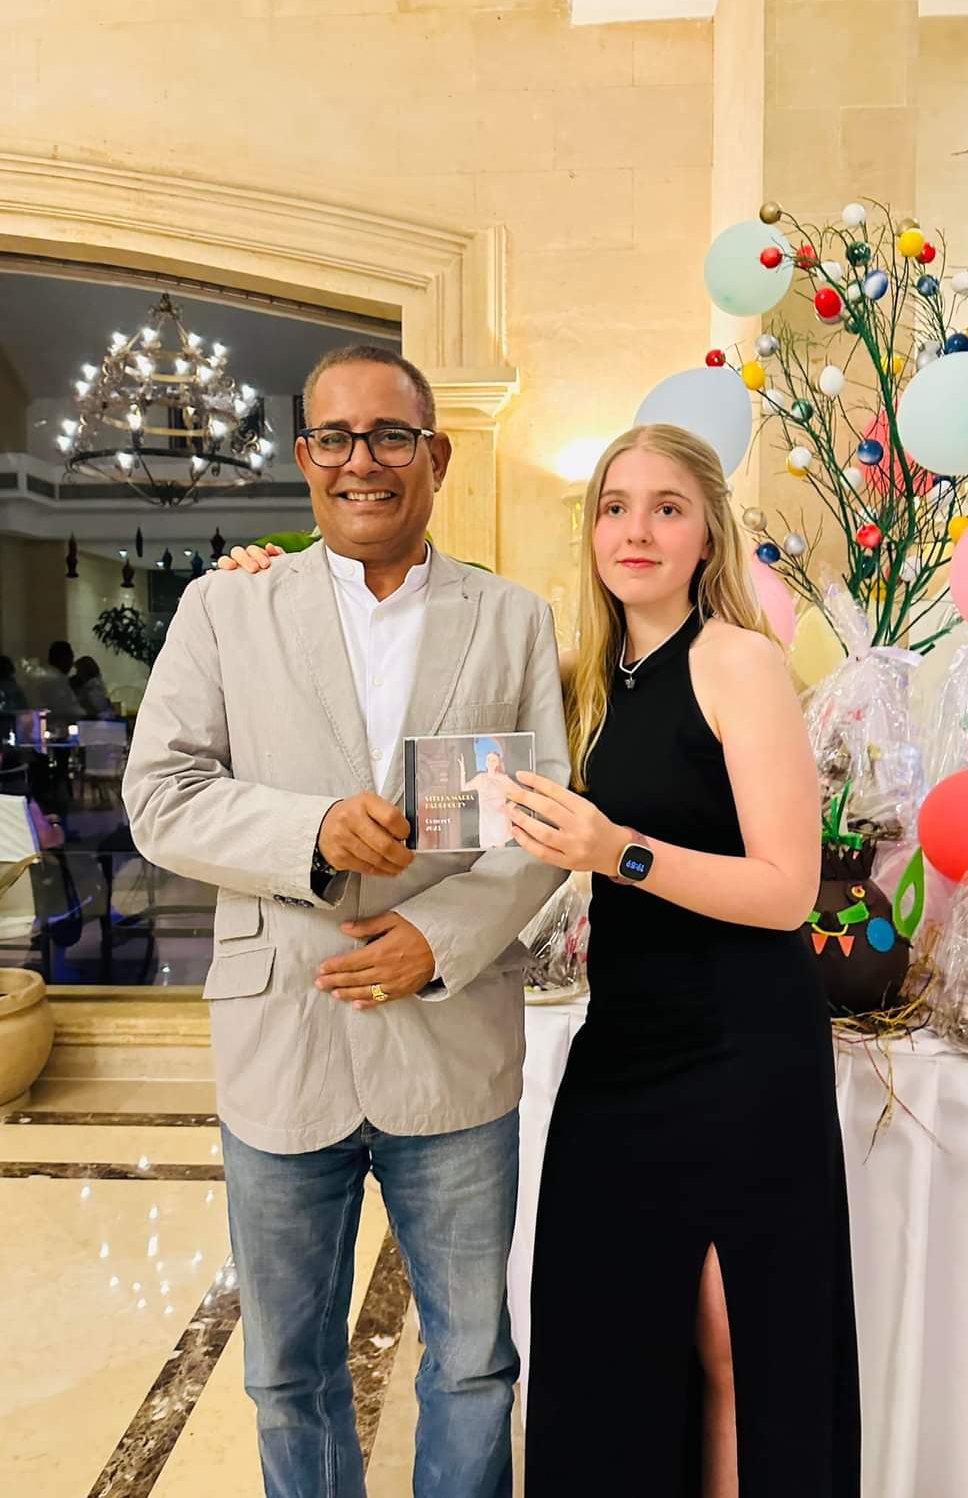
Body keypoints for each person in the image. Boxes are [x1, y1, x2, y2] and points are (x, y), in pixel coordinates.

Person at [123, 343, 569, 1498]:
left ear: (437, 456)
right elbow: (160, 795)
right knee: (286, 1373)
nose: (361, 460)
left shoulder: (512, 619)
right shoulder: (227, 606)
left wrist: (442, 938)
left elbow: (539, 818)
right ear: (304, 455)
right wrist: (311, 832)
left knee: (473, 1364)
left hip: (453, 1042)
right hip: (283, 1038)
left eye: (390, 436)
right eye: (335, 436)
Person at [505, 424, 860, 1497]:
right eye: (615, 506)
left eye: (667, 507)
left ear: (708, 533)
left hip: (743, 1045)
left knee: (733, 1339)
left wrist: (620, 850)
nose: (638, 529)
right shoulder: (582, 684)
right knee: (616, 1337)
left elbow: (787, 889)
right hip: (622, 1047)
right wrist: (268, 571)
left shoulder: (738, 661)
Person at [458, 737, 514, 849]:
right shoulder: (480, 778)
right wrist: (462, 770)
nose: (490, 762)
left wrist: (510, 806)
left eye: (493, 760)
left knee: (500, 850)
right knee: (485, 850)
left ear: (498, 763)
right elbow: (464, 788)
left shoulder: (503, 778)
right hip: (486, 821)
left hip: (500, 821)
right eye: (488, 759)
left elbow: (519, 793)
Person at [37, 640, 83, 723]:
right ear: (63, 659)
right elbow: (67, 710)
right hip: (60, 725)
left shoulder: (47, 677)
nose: (72, 664)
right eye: (71, 659)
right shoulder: (56, 681)